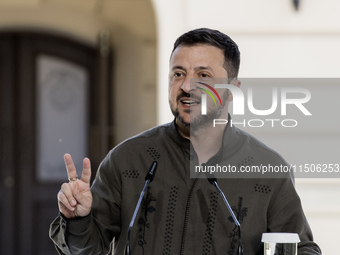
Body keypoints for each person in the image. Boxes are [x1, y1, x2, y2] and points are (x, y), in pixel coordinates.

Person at [50, 28, 322, 255]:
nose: (187, 86)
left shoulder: (268, 170)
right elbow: (86, 249)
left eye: (203, 75)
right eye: (178, 74)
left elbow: (303, 248)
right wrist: (78, 218)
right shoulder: (127, 160)